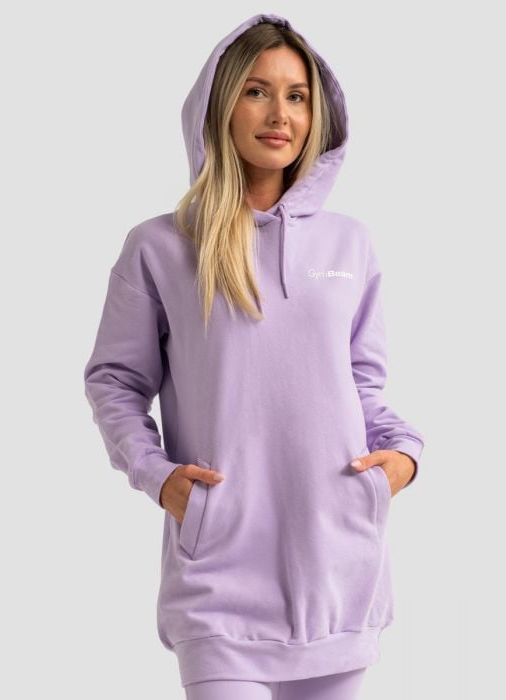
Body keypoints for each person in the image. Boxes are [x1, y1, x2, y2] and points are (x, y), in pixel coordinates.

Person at [83, 12, 425, 699]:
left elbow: (361, 384)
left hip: (335, 572)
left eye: (297, 96)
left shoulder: (350, 244)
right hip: (219, 578)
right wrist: (157, 476)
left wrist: (403, 456)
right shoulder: (160, 247)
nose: (280, 114)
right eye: (257, 91)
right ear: (220, 104)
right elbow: (115, 381)